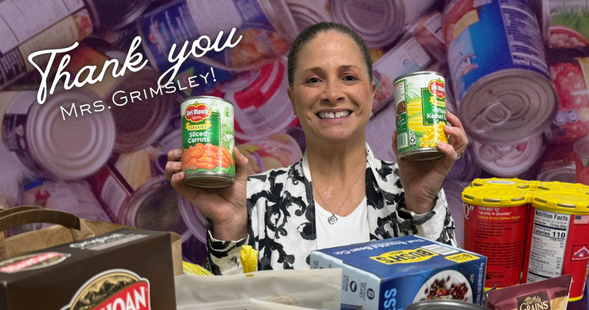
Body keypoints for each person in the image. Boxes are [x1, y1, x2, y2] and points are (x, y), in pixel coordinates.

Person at [165, 22, 467, 274]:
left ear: (373, 93)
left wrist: (421, 200)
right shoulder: (253, 198)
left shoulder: (407, 188)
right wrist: (228, 223)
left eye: (348, 77)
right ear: (293, 99)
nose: (333, 94)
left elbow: (442, 303)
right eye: (313, 80)